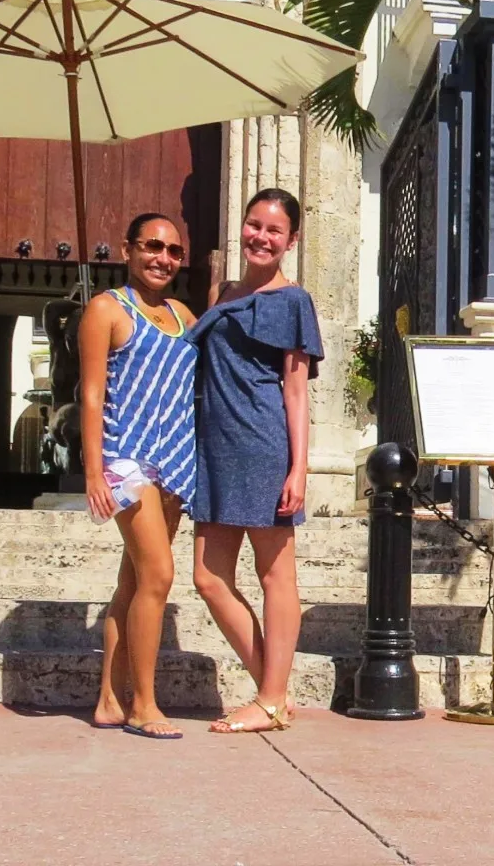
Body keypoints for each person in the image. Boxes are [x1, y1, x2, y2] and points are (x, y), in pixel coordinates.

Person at [189, 187, 323, 734]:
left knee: (275, 573)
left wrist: (299, 467)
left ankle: (268, 699)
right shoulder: (223, 292)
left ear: (291, 241)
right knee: (207, 576)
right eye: (253, 225)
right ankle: (274, 690)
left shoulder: (294, 301)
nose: (260, 237)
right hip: (215, 449)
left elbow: (295, 392)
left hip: (263, 446)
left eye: (273, 230)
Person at [79, 213, 198, 739]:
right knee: (158, 575)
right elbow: (89, 393)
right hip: (127, 460)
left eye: (173, 251)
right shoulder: (106, 309)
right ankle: (144, 703)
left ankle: (108, 698)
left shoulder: (184, 315)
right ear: (127, 249)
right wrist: (92, 472)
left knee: (132, 582)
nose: (163, 258)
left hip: (175, 458)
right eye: (152, 246)